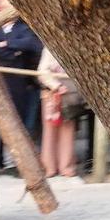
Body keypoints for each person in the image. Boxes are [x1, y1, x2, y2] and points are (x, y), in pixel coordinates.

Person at [0, 0, 43, 142]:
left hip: (19, 84)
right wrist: (13, 51)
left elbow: (31, 43)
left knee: (19, 118)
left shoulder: (24, 26)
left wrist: (7, 44)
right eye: (2, 9)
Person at [37, 49, 80, 178]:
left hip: (70, 92)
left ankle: (66, 166)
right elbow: (42, 71)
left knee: (67, 129)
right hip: (51, 92)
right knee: (50, 130)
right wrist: (55, 85)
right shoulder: (49, 48)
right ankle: (49, 167)